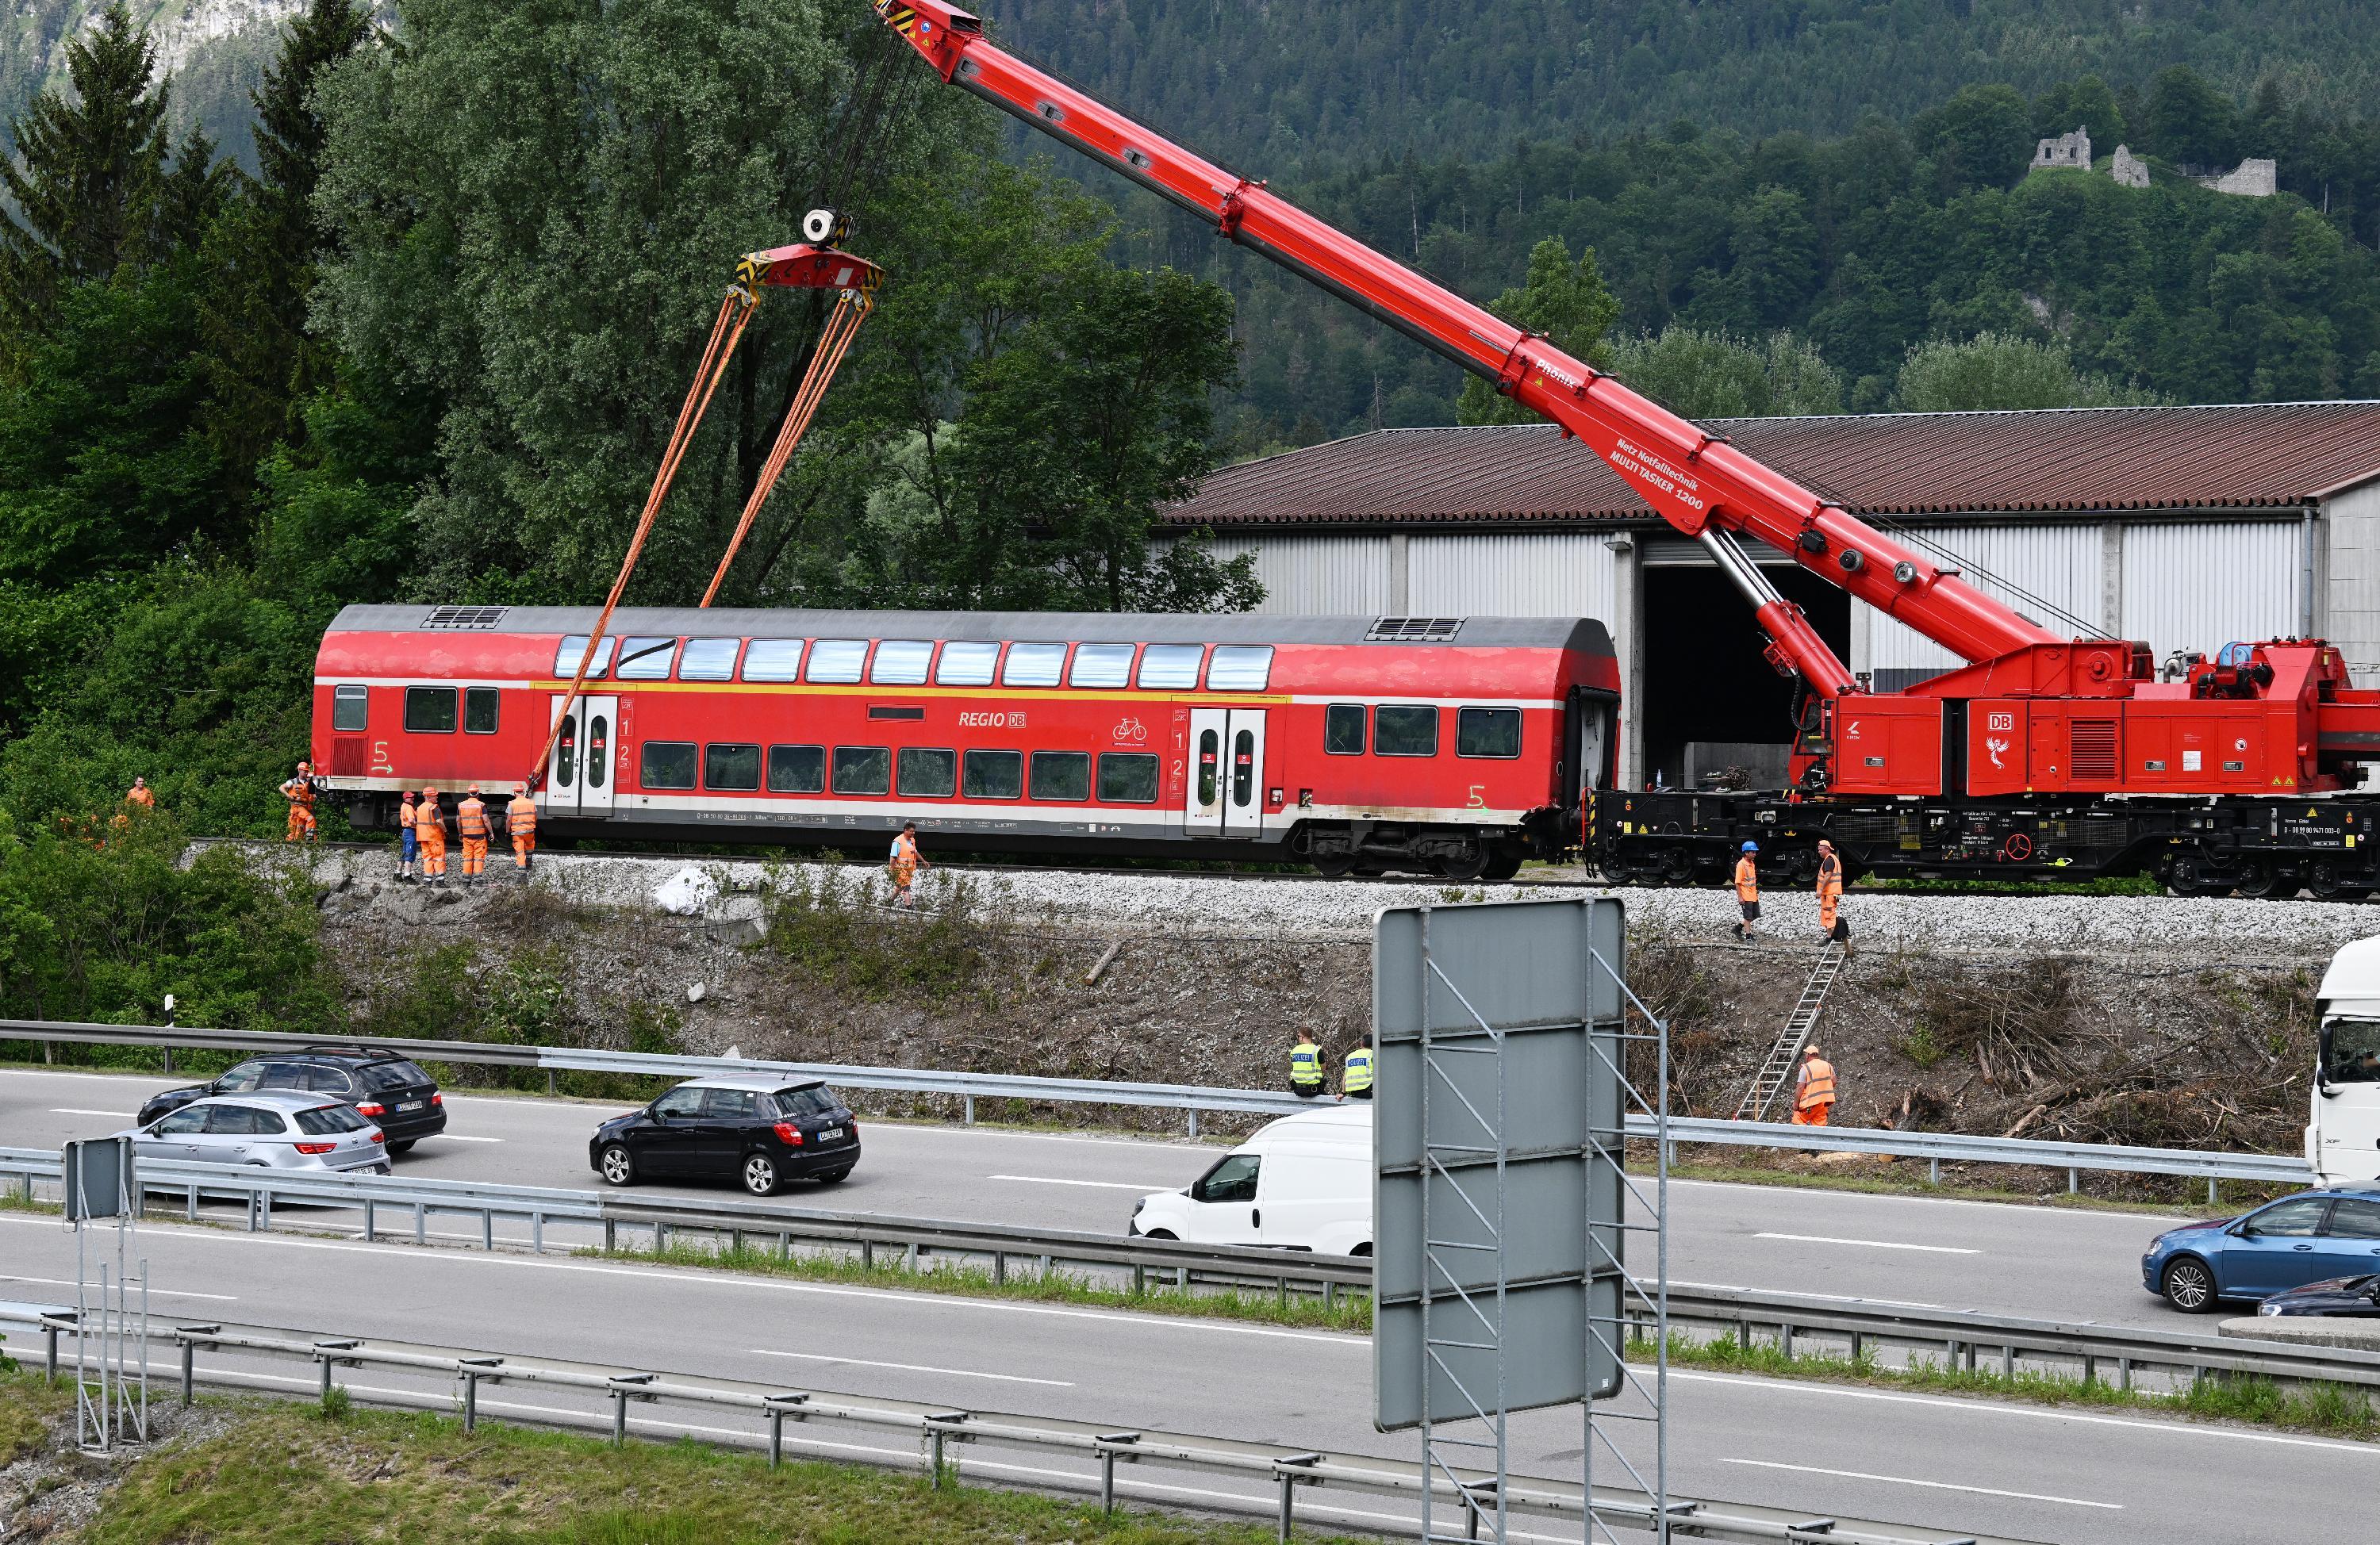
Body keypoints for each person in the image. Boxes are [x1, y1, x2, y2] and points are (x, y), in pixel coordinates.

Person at [1814, 838, 1851, 953]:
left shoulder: (1829, 860)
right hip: (1828, 894)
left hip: (1828, 894)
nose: (1819, 851)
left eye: (1820, 850)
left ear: (1826, 849)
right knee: (1827, 916)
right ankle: (1829, 938)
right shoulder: (1831, 859)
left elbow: (1828, 876)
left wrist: (1820, 889)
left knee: (1830, 916)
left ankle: (1839, 936)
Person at [1791, 1045, 1837, 1127]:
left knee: (1798, 1120)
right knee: (1819, 1128)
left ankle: (1800, 1138)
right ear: (1817, 1055)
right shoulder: (1828, 1065)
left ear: (1807, 1055)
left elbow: (1800, 1087)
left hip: (1810, 1104)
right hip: (1823, 1103)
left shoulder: (1806, 1068)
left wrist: (1795, 1104)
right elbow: (1834, 1082)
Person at [888, 821, 926, 907]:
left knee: (899, 886)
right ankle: (908, 906)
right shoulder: (898, 842)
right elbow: (893, 858)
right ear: (906, 830)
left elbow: (915, 852)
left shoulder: (912, 840)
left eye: (914, 831)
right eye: (912, 831)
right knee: (906, 886)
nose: (914, 833)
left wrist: (923, 861)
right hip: (899, 869)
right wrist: (892, 870)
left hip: (909, 869)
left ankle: (890, 901)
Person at [456, 786, 490, 884]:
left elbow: (458, 821)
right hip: (479, 837)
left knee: (467, 858)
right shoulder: (481, 805)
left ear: (468, 794)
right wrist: (491, 832)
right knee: (478, 858)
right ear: (478, 794)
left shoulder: (461, 805)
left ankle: (466, 881)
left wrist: (460, 833)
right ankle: (478, 881)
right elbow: (486, 820)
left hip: (466, 836)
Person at [415, 785, 447, 883]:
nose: (437, 797)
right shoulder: (434, 808)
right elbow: (439, 821)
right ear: (428, 797)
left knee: (427, 858)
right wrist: (445, 831)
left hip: (423, 837)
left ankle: (427, 880)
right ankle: (440, 881)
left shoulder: (419, 808)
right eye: (435, 796)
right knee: (438, 858)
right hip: (434, 837)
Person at [281, 761, 319, 843]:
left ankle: (298, 846)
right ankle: (310, 839)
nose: (306, 773)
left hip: (305, 807)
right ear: (299, 770)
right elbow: (281, 788)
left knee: (299, 829)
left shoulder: (308, 783)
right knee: (310, 819)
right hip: (297, 807)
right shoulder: (293, 782)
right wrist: (288, 796)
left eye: (307, 771)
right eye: (304, 771)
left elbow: (312, 794)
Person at [1732, 840, 1760, 943]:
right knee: (1748, 917)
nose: (1755, 854)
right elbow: (1737, 882)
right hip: (1746, 895)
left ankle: (1738, 928)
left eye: (1755, 852)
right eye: (1752, 852)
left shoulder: (1751, 864)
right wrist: (1740, 897)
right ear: (1746, 853)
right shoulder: (1741, 865)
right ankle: (1748, 937)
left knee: (1755, 916)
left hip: (1753, 895)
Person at [508, 782, 539, 874]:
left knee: (520, 852)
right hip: (530, 831)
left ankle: (522, 874)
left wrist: (507, 830)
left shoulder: (512, 804)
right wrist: (532, 825)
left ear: (514, 793)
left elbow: (508, 820)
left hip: (518, 833)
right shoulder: (531, 802)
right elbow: (535, 816)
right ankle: (529, 865)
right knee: (529, 848)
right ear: (523, 792)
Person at [1289, 1032, 1326, 1098]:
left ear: (1302, 1037)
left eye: (1298, 1036)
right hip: (1314, 1090)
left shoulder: (1294, 1051)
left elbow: (1294, 1067)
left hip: (1297, 1090)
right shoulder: (1317, 1050)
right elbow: (1323, 1070)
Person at [1339, 1033, 1374, 1101]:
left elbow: (1345, 1076)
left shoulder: (1350, 1056)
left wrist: (1343, 1093)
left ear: (1361, 1043)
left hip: (1352, 1093)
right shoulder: (1373, 1054)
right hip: (1368, 1091)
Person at [397, 791, 419, 881]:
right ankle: (407, 876)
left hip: (405, 831)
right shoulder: (409, 807)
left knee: (404, 853)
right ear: (406, 799)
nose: (413, 798)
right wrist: (420, 824)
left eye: (413, 797)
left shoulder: (403, 806)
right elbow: (411, 820)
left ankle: (397, 874)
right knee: (410, 854)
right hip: (410, 832)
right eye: (411, 797)